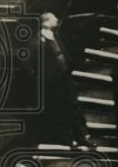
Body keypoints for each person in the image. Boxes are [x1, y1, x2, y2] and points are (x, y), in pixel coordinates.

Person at [39, 12, 94, 150]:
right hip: (54, 81)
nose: (57, 20)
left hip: (65, 77)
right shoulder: (38, 40)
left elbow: (63, 54)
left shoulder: (56, 36)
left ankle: (83, 137)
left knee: (74, 106)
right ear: (46, 22)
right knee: (61, 109)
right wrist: (48, 77)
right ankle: (69, 139)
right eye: (54, 18)